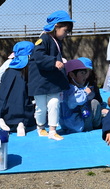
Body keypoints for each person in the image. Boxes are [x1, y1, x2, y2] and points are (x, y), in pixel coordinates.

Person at [27, 10, 73, 140]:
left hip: (53, 80)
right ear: (56, 26)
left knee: (54, 103)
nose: (66, 34)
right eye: (65, 30)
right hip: (40, 80)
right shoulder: (44, 38)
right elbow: (38, 56)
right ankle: (40, 127)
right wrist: (53, 62)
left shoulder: (57, 41)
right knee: (41, 106)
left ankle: (52, 130)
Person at [0, 41, 36, 136]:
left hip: (4, 108)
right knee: (24, 101)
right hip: (22, 107)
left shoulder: (8, 69)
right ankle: (21, 124)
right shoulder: (30, 72)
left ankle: (1, 119)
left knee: (4, 101)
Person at [60, 59, 103, 133]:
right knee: (94, 103)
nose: (85, 76)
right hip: (77, 125)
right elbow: (73, 102)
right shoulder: (72, 89)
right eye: (82, 73)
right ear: (72, 75)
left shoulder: (64, 88)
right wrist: (86, 93)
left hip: (66, 125)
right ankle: (96, 125)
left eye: (85, 73)